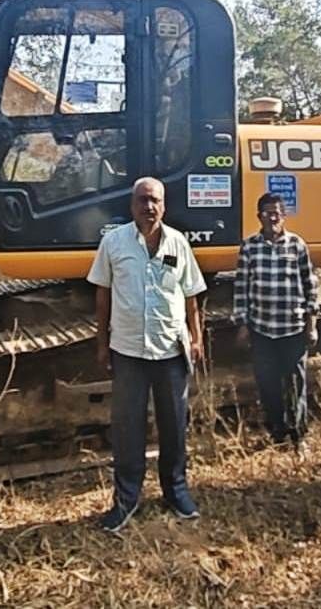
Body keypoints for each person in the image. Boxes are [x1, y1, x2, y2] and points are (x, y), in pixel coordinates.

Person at [89, 177, 207, 533]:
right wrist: (101, 343)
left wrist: (197, 338)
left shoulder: (178, 243)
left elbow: (190, 295)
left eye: (155, 200)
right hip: (128, 350)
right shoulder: (114, 243)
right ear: (132, 206)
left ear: (164, 205)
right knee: (128, 429)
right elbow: (103, 296)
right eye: (142, 200)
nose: (148, 206)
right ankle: (126, 500)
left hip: (171, 349)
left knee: (174, 427)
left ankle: (177, 492)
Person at [232, 192, 319, 453]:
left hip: (292, 328)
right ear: (259, 216)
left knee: (296, 385)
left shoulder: (297, 245)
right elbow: (242, 288)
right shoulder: (249, 247)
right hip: (262, 330)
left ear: (284, 216)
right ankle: (278, 435)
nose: (272, 217)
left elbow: (310, 285)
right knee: (268, 385)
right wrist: (243, 324)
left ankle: (299, 436)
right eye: (267, 212)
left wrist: (311, 324)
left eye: (277, 212)